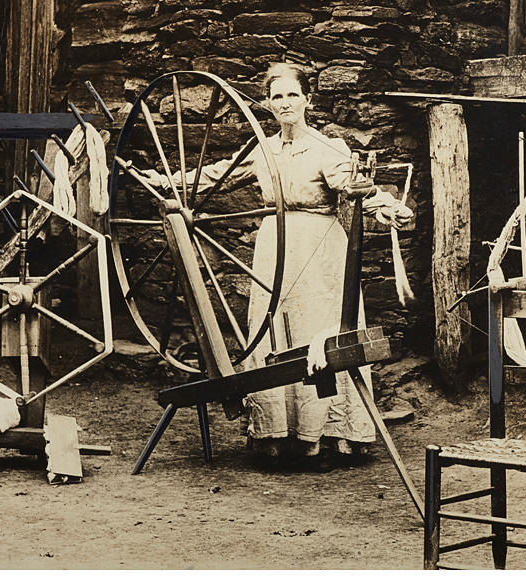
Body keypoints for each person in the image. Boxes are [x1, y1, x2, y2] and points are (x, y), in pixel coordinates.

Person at [143, 62, 412, 470]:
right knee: (274, 332)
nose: (285, 103)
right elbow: (217, 174)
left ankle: (322, 438)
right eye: (276, 96)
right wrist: (165, 181)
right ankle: (278, 436)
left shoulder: (327, 147)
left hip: (318, 253)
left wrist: (388, 208)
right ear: (267, 104)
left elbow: (353, 187)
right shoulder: (262, 149)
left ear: (307, 99)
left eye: (292, 95)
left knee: (315, 332)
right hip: (273, 251)